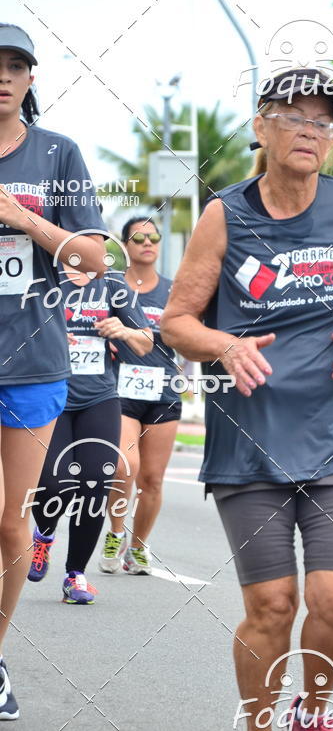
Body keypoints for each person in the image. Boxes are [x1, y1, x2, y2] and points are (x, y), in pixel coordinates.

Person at [161, 68, 333, 731]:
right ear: (261, 127)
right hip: (250, 440)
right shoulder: (225, 215)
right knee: (271, 608)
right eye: (294, 117)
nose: (310, 133)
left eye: (324, 123)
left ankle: (314, 720)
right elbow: (177, 321)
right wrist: (225, 346)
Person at [0, 25, 106, 719]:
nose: (2, 77)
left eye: (15, 66)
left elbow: (93, 257)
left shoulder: (58, 153)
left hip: (31, 360)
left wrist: (20, 218)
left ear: (31, 79)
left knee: (10, 526)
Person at [26, 263, 151, 603]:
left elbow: (146, 342)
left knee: (96, 482)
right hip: (53, 396)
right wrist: (46, 334)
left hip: (100, 398)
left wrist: (123, 331)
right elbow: (17, 332)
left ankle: (74, 575)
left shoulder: (112, 284)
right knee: (54, 483)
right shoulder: (42, 274)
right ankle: (44, 535)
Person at [101, 217, 182, 575]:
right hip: (120, 390)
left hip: (164, 391)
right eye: (139, 237)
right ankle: (116, 534)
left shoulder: (174, 289)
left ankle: (138, 547)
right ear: (126, 245)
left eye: (154, 237)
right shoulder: (112, 287)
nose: (147, 242)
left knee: (152, 479)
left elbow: (190, 334)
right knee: (123, 467)